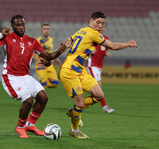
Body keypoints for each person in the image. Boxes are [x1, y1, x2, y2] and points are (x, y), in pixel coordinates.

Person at [59, 11, 137, 139]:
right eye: (98, 22)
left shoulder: (82, 30)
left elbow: (67, 43)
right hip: (70, 71)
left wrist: (54, 55)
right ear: (91, 21)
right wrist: (128, 44)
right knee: (80, 104)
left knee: (99, 95)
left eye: (103, 23)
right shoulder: (93, 33)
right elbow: (112, 46)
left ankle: (74, 112)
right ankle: (74, 129)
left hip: (79, 69)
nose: (100, 26)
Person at [0, 14, 66, 138]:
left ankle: (30, 125)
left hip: (25, 76)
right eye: (18, 25)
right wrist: (1, 34)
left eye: (23, 24)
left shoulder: (32, 41)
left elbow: (49, 56)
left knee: (43, 97)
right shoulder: (7, 38)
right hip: (11, 77)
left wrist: (60, 51)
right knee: (28, 100)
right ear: (12, 26)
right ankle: (19, 127)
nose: (21, 27)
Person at [86, 24, 115, 113]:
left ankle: (77, 91)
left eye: (103, 26)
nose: (101, 28)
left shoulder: (105, 39)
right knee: (98, 86)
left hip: (99, 66)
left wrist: (107, 53)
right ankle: (105, 107)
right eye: (100, 26)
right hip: (92, 65)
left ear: (104, 28)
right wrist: (89, 50)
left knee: (95, 89)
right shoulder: (92, 37)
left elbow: (105, 50)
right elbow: (84, 48)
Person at [33, 24, 62, 89]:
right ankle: (40, 86)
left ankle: (39, 85)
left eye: (48, 29)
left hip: (49, 64)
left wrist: (57, 60)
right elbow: (32, 52)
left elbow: (50, 53)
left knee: (55, 83)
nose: (46, 30)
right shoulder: (38, 40)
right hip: (41, 64)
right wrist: (37, 60)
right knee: (43, 85)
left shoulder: (51, 39)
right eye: (44, 29)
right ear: (41, 30)